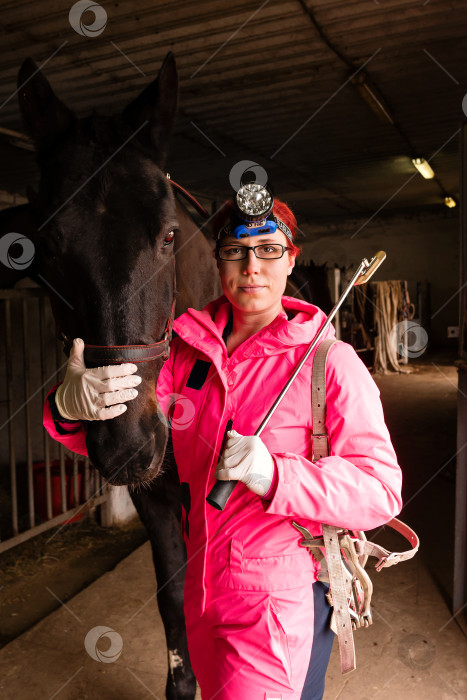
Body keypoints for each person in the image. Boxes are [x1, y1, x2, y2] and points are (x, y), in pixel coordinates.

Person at [43, 187, 402, 699]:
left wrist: (278, 475)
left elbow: (380, 492)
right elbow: (128, 439)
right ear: (219, 263)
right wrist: (67, 407)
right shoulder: (186, 358)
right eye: (235, 250)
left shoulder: (329, 364)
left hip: (276, 600)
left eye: (268, 249)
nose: (252, 265)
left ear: (289, 260)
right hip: (202, 591)